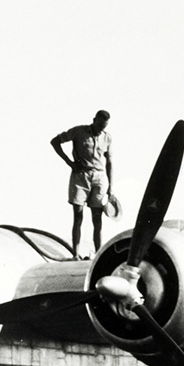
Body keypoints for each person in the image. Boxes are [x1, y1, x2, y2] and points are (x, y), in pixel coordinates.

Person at [50, 110, 113, 257]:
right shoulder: (78, 131)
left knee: (97, 218)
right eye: (99, 125)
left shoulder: (107, 138)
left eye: (104, 127)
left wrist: (111, 186)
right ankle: (76, 254)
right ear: (94, 120)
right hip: (80, 176)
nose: (100, 130)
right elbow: (55, 141)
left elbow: (109, 162)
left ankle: (98, 254)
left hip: (99, 177)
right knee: (78, 215)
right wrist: (69, 163)